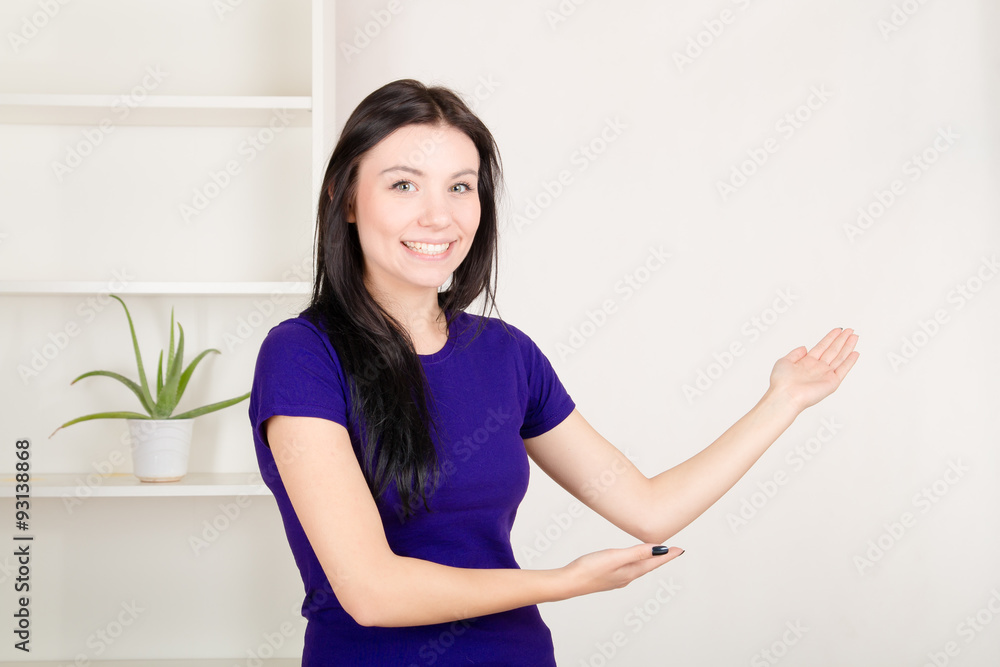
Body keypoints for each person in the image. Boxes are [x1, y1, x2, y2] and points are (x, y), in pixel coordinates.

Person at [248, 78, 860, 666]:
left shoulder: (505, 353)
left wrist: (782, 401)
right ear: (346, 199)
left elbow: (650, 508)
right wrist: (565, 582)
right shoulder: (301, 355)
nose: (439, 216)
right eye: (404, 185)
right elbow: (373, 593)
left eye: (460, 187)